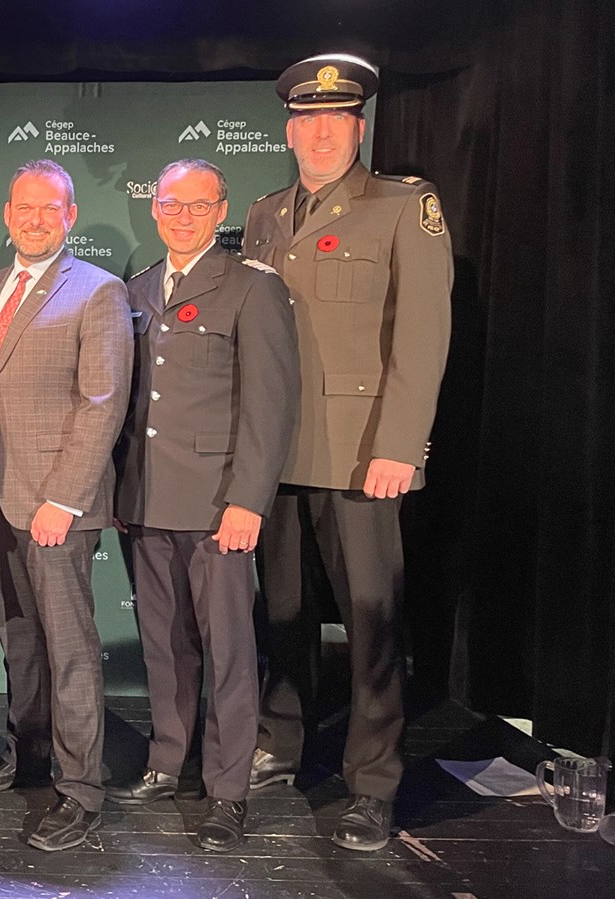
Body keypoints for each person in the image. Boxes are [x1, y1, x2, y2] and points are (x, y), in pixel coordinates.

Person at [242, 53, 453, 851]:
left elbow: (423, 336)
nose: (321, 133)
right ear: (289, 131)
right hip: (275, 450)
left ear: (358, 127)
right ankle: (280, 740)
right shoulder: (265, 214)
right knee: (282, 614)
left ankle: (373, 782)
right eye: (308, 120)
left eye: (336, 119)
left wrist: (400, 444)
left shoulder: (403, 206)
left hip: (362, 453)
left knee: (371, 624)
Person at [109, 158, 300, 852]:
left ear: (222, 212)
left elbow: (271, 407)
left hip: (219, 502)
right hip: (147, 498)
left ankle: (227, 789)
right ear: (153, 209)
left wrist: (248, 500)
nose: (183, 216)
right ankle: (168, 760)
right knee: (164, 642)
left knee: (229, 651)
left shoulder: (252, 286)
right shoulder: (135, 288)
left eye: (198, 205)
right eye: (171, 204)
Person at [0, 160, 133, 852]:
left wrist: (65, 497)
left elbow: (102, 402)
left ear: (70, 215)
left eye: (48, 208)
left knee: (71, 650)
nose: (34, 219)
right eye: (23, 208)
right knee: (19, 641)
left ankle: (81, 788)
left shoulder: (98, 290)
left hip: (57, 503)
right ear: (6, 214)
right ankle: (27, 753)